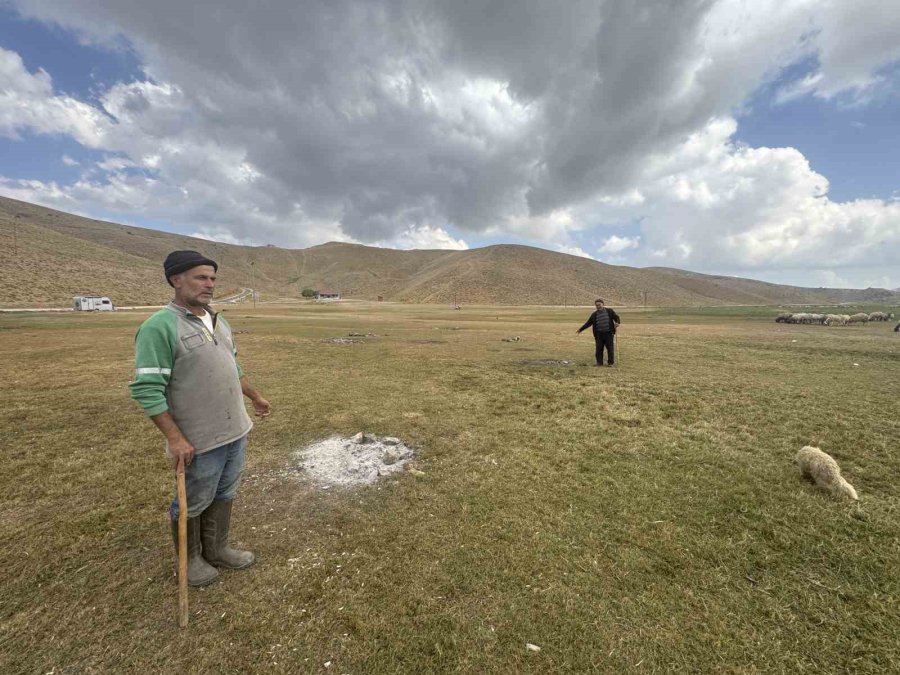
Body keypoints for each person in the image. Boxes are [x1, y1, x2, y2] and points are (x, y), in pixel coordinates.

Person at [129, 250, 271, 586]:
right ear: (176, 280)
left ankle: (217, 549)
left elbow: (231, 368)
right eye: (200, 277)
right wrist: (175, 439)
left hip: (235, 429)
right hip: (199, 438)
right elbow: (147, 389)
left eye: (212, 278)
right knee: (193, 499)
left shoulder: (218, 321)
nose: (209, 284)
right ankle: (189, 560)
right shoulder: (159, 326)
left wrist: (255, 396)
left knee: (224, 492)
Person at [576, 298, 621, 367]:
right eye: (596, 305)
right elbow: (588, 323)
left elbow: (617, 318)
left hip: (609, 333)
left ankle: (610, 363)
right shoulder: (594, 314)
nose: (598, 306)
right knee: (599, 349)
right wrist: (580, 329)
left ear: (603, 304)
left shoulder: (609, 311)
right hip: (599, 335)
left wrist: (617, 323)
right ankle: (599, 363)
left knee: (610, 349)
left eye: (599, 305)